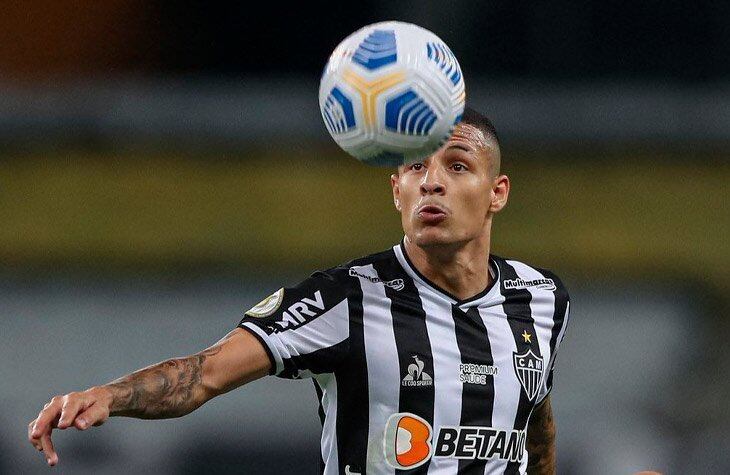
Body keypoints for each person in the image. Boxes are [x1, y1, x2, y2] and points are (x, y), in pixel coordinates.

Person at [28, 107, 570, 474]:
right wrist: (109, 396)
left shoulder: (540, 298)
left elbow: (534, 422)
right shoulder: (346, 299)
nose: (432, 181)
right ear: (396, 190)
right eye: (415, 166)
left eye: (457, 165)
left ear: (497, 192)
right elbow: (205, 374)